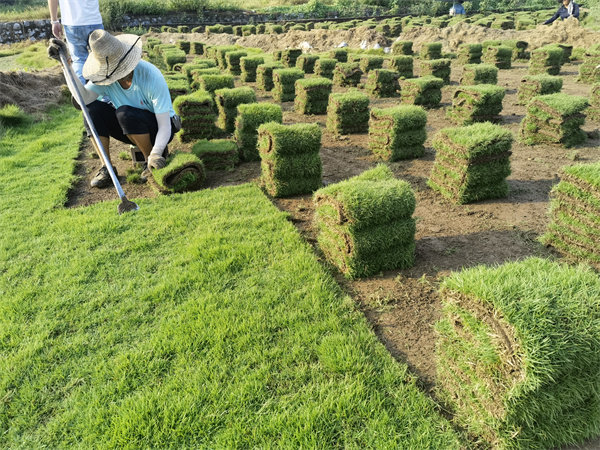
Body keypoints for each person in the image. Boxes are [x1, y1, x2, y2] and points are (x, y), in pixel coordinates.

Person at [48, 30, 179, 188]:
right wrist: (66, 67)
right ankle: (107, 168)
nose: (121, 75)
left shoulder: (151, 76)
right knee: (91, 109)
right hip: (130, 127)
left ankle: (148, 160)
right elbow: (82, 100)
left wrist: (156, 153)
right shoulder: (106, 78)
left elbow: (165, 125)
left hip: (160, 127)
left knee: (124, 112)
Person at [48, 0, 103, 84]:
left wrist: (54, 21)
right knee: (101, 59)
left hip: (72, 22)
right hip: (94, 19)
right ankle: (105, 95)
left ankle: (79, 93)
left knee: (79, 60)